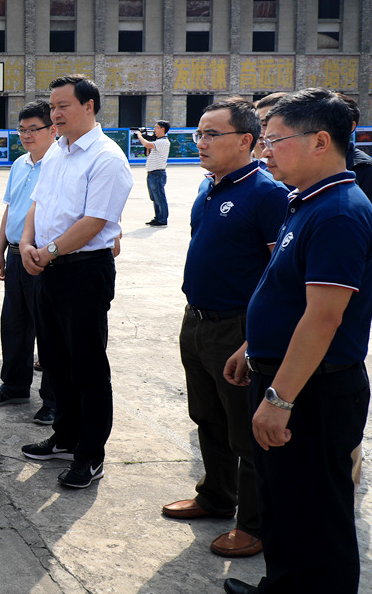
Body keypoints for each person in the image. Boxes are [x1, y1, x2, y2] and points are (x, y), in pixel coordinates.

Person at [222, 89, 372, 594]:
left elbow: (324, 318)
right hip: (283, 373)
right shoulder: (305, 201)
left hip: (313, 390)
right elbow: (285, 291)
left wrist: (280, 398)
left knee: (317, 516)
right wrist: (253, 347)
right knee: (284, 503)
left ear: (320, 142)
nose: (264, 151)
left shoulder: (339, 212)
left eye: (274, 140)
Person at [161, 98, 287, 559]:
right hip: (196, 319)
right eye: (199, 133)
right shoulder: (209, 186)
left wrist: (254, 339)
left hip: (237, 328)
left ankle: (253, 523)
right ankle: (216, 496)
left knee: (245, 430)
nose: (201, 142)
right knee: (207, 416)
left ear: (246, 140)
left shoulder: (267, 193)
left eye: (212, 134)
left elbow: (281, 275)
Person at [19, 75, 133, 489]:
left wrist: (47, 251)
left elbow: (95, 221)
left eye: (63, 105)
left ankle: (90, 453)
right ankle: (66, 437)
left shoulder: (106, 158)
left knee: (87, 366)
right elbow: (38, 203)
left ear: (89, 106)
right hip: (47, 268)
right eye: (52, 107)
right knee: (55, 361)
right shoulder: (57, 151)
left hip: (84, 270)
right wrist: (27, 244)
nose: (55, 114)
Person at [0, 100, 57, 425]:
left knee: (49, 330)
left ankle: (53, 400)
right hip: (15, 255)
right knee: (13, 324)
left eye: (33, 129)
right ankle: (14, 386)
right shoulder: (19, 164)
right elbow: (10, 210)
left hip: (43, 258)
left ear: (52, 130)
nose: (26, 135)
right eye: (22, 129)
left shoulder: (59, 164)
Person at [135, 120, 171, 226]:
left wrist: (139, 135)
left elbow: (147, 144)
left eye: (156, 127)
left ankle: (162, 219)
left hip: (157, 174)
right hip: (152, 173)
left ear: (162, 129)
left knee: (159, 197)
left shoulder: (163, 142)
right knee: (155, 198)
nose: (154, 129)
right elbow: (148, 149)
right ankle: (158, 217)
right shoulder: (158, 141)